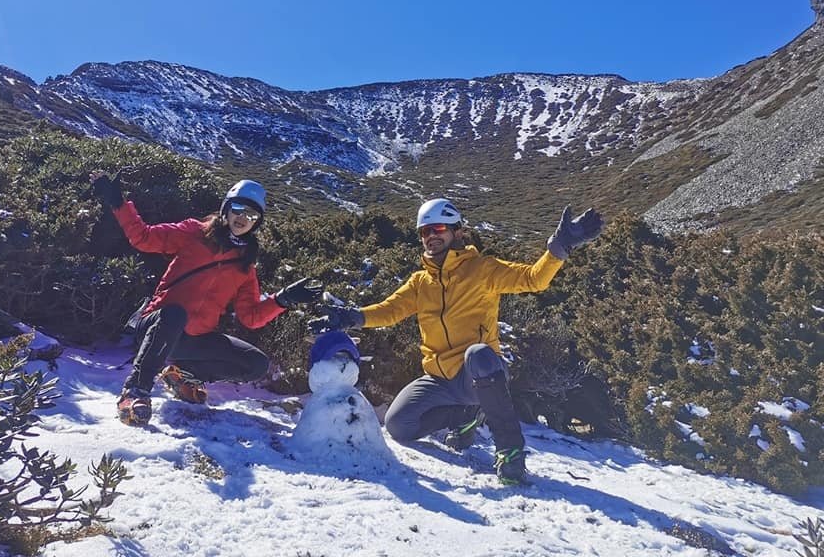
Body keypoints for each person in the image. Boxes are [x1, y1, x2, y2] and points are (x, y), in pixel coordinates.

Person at [308, 198, 602, 484]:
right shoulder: (421, 282)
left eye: (438, 229)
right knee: (399, 426)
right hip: (439, 378)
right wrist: (351, 317)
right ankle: (465, 416)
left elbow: (533, 279)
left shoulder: (482, 269)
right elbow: (391, 310)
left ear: (457, 231)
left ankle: (510, 452)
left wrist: (559, 247)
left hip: (482, 372)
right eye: (425, 231)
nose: (430, 237)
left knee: (478, 353)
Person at [92, 174, 322, 426]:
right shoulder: (194, 232)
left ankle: (184, 376)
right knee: (175, 314)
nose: (243, 218)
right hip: (157, 325)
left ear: (257, 223)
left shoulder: (244, 264)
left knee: (256, 364)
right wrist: (118, 204)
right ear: (226, 208)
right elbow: (144, 238)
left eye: (252, 215)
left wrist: (283, 299)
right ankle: (135, 392)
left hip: (194, 340)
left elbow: (251, 317)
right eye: (239, 208)